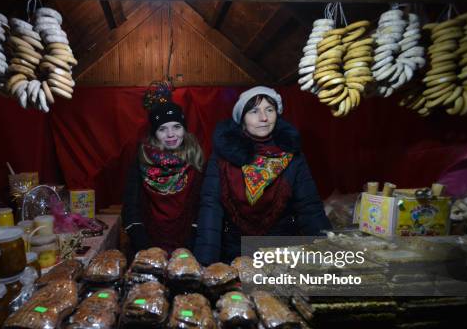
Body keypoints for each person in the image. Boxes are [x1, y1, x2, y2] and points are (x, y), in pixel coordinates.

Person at [194, 86, 331, 265]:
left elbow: (309, 207)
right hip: (235, 252)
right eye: (254, 111)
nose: (264, 118)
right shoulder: (223, 156)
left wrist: (328, 254)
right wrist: (205, 263)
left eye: (269, 110)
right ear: (242, 119)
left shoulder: (291, 154)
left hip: (280, 251)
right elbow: (210, 208)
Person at [122, 101, 205, 255]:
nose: (171, 134)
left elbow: (202, 208)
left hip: (189, 248)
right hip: (147, 245)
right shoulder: (141, 160)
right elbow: (130, 208)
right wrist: (145, 248)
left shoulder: (196, 160)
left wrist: (190, 246)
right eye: (162, 129)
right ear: (154, 133)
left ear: (184, 129)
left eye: (177, 127)